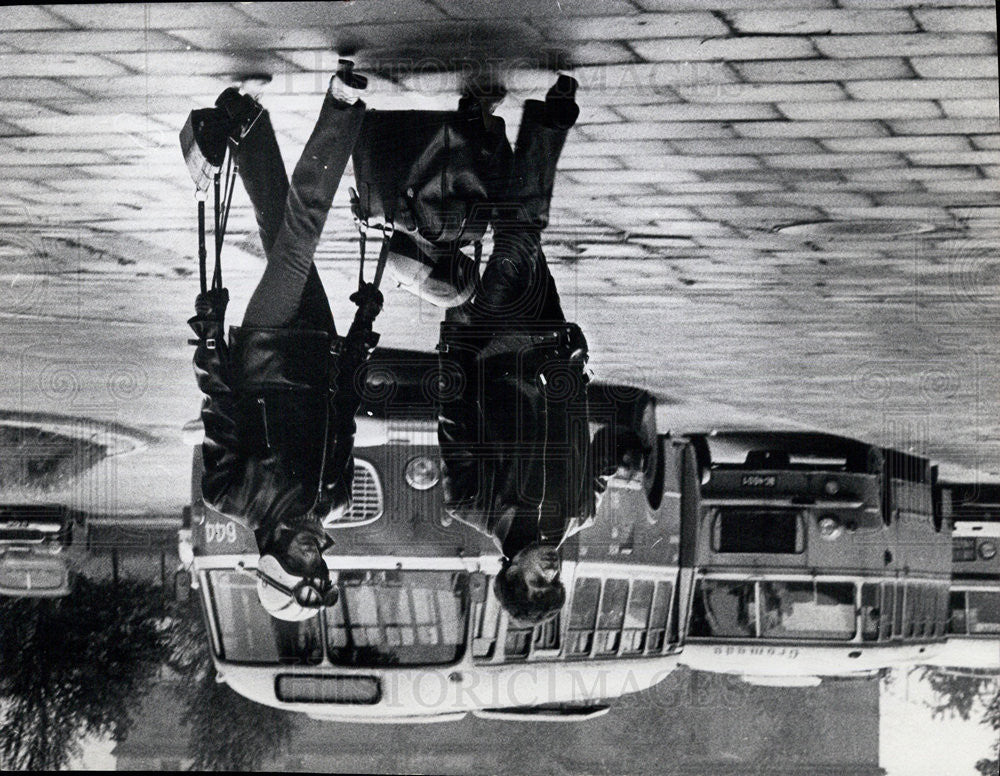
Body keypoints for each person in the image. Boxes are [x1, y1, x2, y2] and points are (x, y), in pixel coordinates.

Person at [436, 75, 649, 626]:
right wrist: (627, 455)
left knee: (520, 236)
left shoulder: (473, 505)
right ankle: (480, 121)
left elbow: (454, 419)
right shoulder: (577, 514)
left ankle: (550, 120)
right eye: (555, 579)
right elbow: (603, 455)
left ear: (509, 572)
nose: (551, 569)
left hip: (494, 344)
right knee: (518, 235)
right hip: (555, 347)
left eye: (537, 578)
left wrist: (454, 346)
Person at [187, 61, 380, 621]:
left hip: (267, 344)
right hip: (319, 346)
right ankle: (245, 121)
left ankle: (341, 107)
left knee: (299, 234)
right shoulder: (335, 499)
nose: (315, 553)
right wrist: (361, 335)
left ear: (272, 557)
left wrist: (208, 345)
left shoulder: (232, 495)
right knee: (280, 223)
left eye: (301, 562)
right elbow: (343, 411)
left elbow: (220, 407)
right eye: (319, 564)